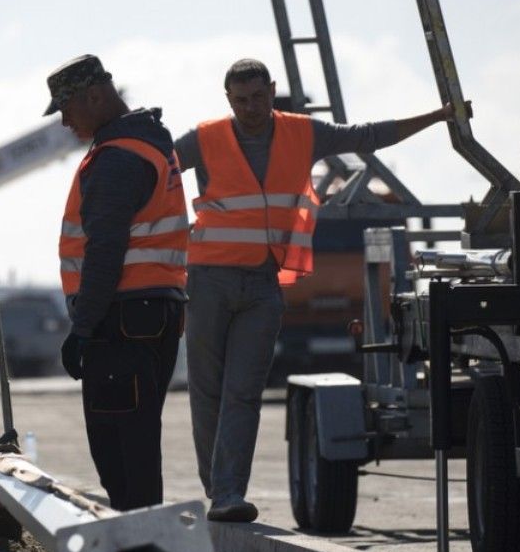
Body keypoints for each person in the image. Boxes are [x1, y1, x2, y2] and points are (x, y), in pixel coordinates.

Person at [176, 58, 459, 522]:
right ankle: (218, 485)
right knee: (207, 389)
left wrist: (437, 116)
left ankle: (228, 493)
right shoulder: (204, 139)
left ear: (271, 91)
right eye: (240, 100)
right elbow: (152, 169)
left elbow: (367, 136)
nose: (250, 108)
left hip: (264, 284)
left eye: (258, 97)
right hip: (208, 281)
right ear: (228, 99)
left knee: (243, 391)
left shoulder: (302, 133)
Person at [46, 55, 189, 512]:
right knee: (138, 437)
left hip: (122, 321)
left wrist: (82, 327)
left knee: (121, 449)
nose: (65, 120)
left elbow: (104, 251)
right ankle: (143, 540)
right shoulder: (149, 144)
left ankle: (141, 547)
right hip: (155, 314)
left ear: (95, 96)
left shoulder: (115, 160)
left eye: (67, 107)